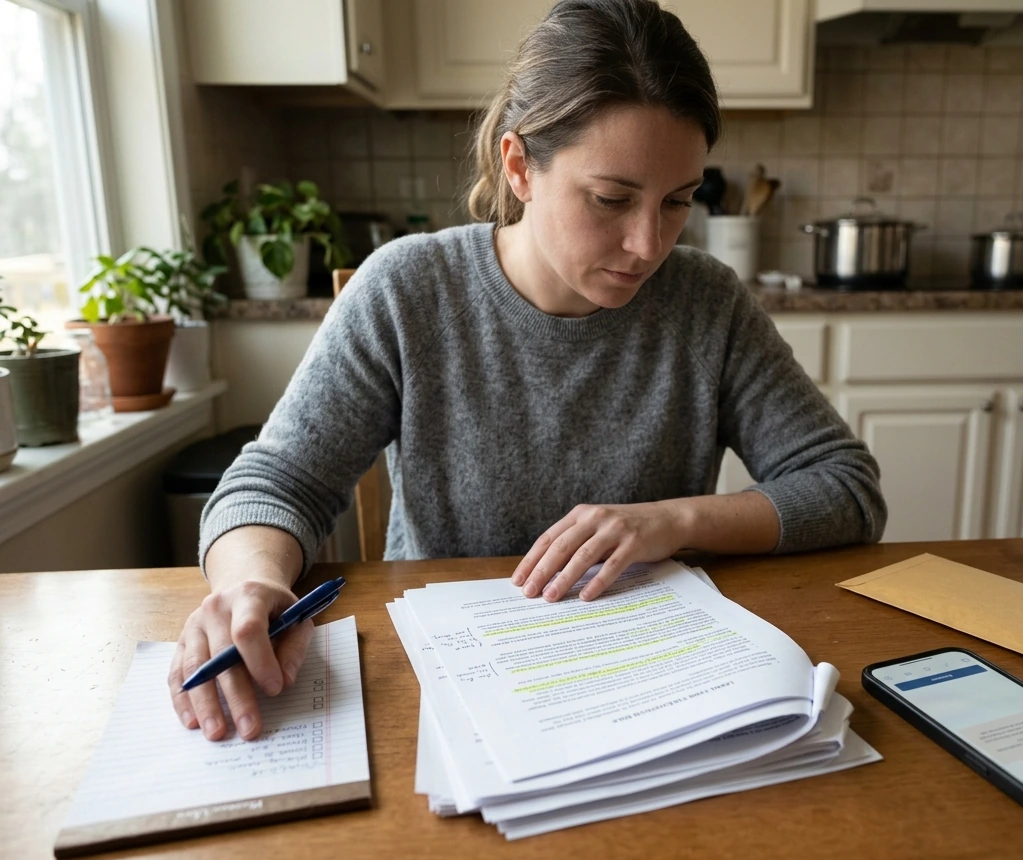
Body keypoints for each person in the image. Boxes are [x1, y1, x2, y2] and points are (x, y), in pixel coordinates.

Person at [168, 0, 887, 742]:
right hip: (451, 689)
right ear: (520, 167)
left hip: (653, 680)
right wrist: (251, 582)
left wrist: (673, 521)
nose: (648, 244)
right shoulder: (408, 290)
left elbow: (846, 489)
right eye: (611, 199)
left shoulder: (707, 302)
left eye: (678, 203)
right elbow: (278, 481)